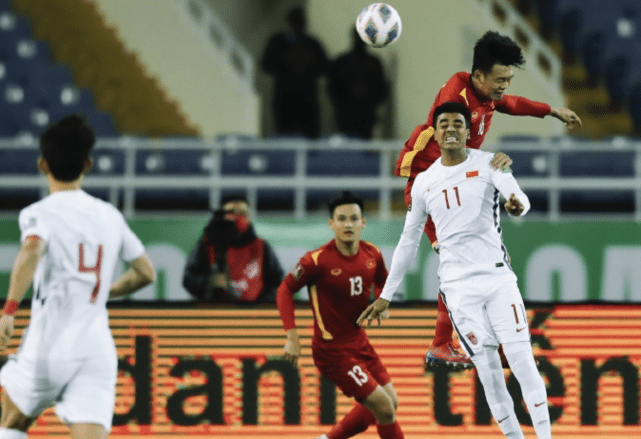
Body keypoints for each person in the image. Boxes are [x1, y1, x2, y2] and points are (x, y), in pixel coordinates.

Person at [359, 102, 551, 439]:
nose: (451, 129)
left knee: (523, 362)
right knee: (490, 375)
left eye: (458, 123)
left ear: (467, 130)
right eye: (444, 123)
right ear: (435, 133)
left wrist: (517, 205)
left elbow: (517, 197)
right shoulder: (424, 183)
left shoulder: (490, 162)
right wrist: (386, 295)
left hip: (498, 280)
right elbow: (408, 241)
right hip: (458, 290)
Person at [395, 30, 582, 369]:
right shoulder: (456, 105)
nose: (504, 87)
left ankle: (491, 341)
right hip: (433, 190)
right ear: (479, 76)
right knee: (464, 264)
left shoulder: (483, 92)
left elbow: (510, 104)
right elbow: (450, 158)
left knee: (489, 263)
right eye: (500, 80)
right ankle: (442, 344)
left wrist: (552, 111)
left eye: (509, 80)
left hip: (458, 188)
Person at [0, 114, 156, 439]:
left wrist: (9, 311)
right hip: (95, 351)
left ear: (43, 165)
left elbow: (31, 250)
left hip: (48, 346)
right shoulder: (110, 215)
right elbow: (145, 273)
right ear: (88, 164)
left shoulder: (38, 213)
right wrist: (101, 292)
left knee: (12, 421)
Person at [276, 191, 404, 439]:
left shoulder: (372, 254)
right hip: (331, 350)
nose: (348, 224)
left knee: (390, 403)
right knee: (385, 408)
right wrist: (292, 336)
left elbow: (383, 281)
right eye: (342, 219)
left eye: (353, 219)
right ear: (331, 224)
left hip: (359, 342)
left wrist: (382, 301)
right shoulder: (316, 261)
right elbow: (284, 290)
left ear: (363, 223)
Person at [182, 195, 284, 303]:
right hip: (216, 310)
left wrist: (260, 305)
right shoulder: (208, 244)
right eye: (231, 212)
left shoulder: (261, 246)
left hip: (252, 312)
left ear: (249, 217)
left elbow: (277, 282)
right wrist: (209, 282)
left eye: (242, 213)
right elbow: (189, 279)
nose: (237, 217)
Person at [261, 6, 328, 138]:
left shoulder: (312, 44)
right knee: (285, 137)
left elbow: (325, 68)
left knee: (310, 139)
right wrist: (285, 60)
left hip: (307, 100)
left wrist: (309, 62)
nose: (299, 24)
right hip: (285, 99)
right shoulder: (278, 42)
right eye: (296, 20)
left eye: (301, 21)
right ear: (290, 22)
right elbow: (266, 64)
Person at [328, 28, 389, 139]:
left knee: (364, 144)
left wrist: (372, 105)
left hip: (366, 114)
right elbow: (333, 88)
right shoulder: (342, 62)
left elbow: (381, 88)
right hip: (346, 114)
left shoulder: (373, 63)